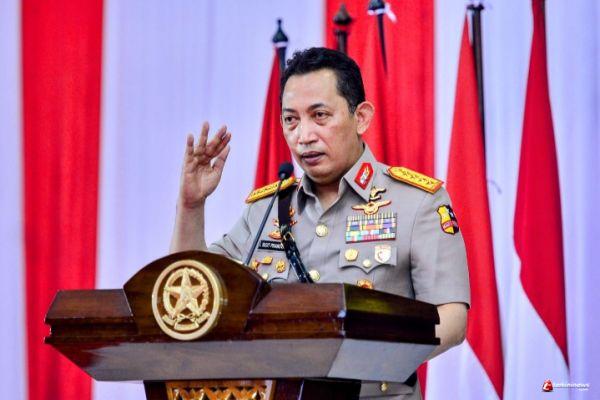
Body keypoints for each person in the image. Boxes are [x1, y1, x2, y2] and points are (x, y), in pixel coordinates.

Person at [170, 47, 469, 399]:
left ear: (361, 118)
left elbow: (451, 318)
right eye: (291, 120)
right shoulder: (266, 209)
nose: (304, 135)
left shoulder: (416, 203)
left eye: (320, 116)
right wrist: (191, 205)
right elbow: (190, 291)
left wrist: (358, 359)